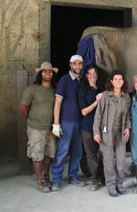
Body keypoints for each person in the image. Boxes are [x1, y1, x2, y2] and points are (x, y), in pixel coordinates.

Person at [19, 62, 58, 193]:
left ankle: (46, 175)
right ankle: (39, 180)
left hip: (50, 128)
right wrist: (30, 120)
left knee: (49, 154)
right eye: (45, 71)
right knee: (37, 155)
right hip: (35, 128)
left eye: (50, 71)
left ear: (52, 74)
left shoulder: (54, 90)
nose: (48, 73)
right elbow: (23, 107)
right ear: (40, 73)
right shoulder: (32, 89)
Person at [93, 70, 131, 197]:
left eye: (120, 79)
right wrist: (96, 132)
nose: (118, 81)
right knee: (108, 161)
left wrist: (127, 127)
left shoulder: (126, 97)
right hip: (106, 133)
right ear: (111, 81)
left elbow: (128, 116)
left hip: (120, 133)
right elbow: (98, 116)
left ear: (123, 81)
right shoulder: (105, 96)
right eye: (116, 79)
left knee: (120, 162)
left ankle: (119, 184)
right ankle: (111, 185)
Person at [51, 55, 86, 191]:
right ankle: (57, 178)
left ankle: (73, 175)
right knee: (62, 151)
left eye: (80, 64)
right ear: (70, 65)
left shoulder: (83, 80)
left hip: (79, 121)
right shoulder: (64, 80)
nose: (77, 66)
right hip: (66, 121)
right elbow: (58, 102)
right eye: (75, 64)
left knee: (77, 151)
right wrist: (56, 123)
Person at [78, 64, 104, 191]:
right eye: (90, 73)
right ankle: (95, 179)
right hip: (88, 127)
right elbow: (84, 112)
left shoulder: (102, 88)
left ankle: (104, 177)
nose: (92, 76)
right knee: (91, 154)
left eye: (95, 73)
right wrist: (96, 102)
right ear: (86, 75)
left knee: (104, 153)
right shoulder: (83, 90)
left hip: (102, 127)